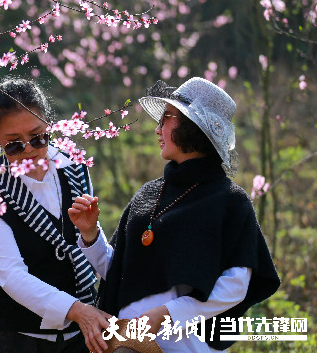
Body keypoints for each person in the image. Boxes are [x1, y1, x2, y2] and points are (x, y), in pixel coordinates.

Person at [69, 77, 280, 353]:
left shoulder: (230, 201)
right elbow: (119, 270)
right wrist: (90, 234)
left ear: (193, 127)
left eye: (167, 118)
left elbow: (235, 286)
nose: (157, 129)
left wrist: (166, 314)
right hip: (127, 343)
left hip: (187, 346)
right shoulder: (147, 194)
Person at [0, 77, 113, 353]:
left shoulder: (74, 167)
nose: (30, 150)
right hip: (13, 333)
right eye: (14, 144)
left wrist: (90, 232)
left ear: (49, 125)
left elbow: (90, 241)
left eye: (38, 137)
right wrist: (77, 310)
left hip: (77, 330)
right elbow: (11, 275)